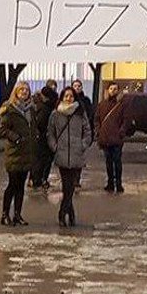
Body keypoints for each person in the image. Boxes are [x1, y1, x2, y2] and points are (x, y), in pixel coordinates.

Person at [48, 87, 92, 227]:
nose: (68, 98)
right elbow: (50, 133)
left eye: (71, 96)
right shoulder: (55, 114)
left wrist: (83, 145)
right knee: (67, 186)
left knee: (70, 187)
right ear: (62, 98)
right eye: (66, 96)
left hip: (76, 155)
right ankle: (69, 214)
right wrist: (54, 147)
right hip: (62, 154)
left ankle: (63, 213)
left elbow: (87, 131)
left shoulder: (80, 113)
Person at [0, 81, 37, 226]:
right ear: (16, 92)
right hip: (14, 153)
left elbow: (33, 129)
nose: (24, 92)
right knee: (12, 185)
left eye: (26, 90)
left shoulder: (31, 109)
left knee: (21, 186)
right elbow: (1, 129)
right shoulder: (10, 109)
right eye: (21, 90)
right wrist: (16, 138)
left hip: (27, 153)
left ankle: (17, 215)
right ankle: (4, 214)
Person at [95, 82, 128, 193]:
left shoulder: (121, 105)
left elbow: (125, 120)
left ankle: (118, 184)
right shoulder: (102, 105)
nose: (113, 91)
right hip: (105, 138)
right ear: (107, 90)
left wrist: (121, 132)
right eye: (111, 88)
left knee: (117, 162)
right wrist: (99, 131)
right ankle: (110, 182)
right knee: (108, 162)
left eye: (115, 89)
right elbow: (97, 119)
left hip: (117, 139)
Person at [30, 80, 58, 190]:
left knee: (41, 159)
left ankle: (37, 179)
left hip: (42, 137)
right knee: (42, 159)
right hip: (43, 137)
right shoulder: (45, 107)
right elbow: (41, 123)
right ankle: (38, 180)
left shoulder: (41, 105)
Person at [71, 79, 94, 190]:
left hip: (80, 133)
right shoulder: (68, 100)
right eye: (75, 86)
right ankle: (69, 179)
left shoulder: (86, 101)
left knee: (79, 157)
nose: (77, 88)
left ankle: (76, 180)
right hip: (70, 133)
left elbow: (90, 116)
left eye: (79, 86)